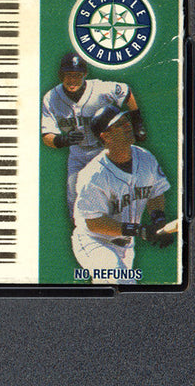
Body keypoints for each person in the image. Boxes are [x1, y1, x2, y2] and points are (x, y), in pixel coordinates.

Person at [70, 105, 173, 285]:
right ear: (106, 136)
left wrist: (158, 219)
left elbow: (155, 192)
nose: (127, 125)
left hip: (126, 246)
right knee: (120, 283)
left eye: (126, 121)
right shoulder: (93, 175)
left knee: (116, 291)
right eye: (118, 124)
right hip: (94, 241)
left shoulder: (146, 158)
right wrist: (139, 230)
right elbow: (94, 223)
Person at [39, 52, 147, 220]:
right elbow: (46, 135)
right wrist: (61, 140)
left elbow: (126, 92)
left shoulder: (100, 89)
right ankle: (81, 232)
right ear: (61, 76)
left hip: (104, 149)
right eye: (68, 75)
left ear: (84, 75)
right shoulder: (51, 98)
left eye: (77, 75)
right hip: (78, 154)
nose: (72, 80)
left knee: (114, 194)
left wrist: (137, 121)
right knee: (75, 197)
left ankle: (119, 229)